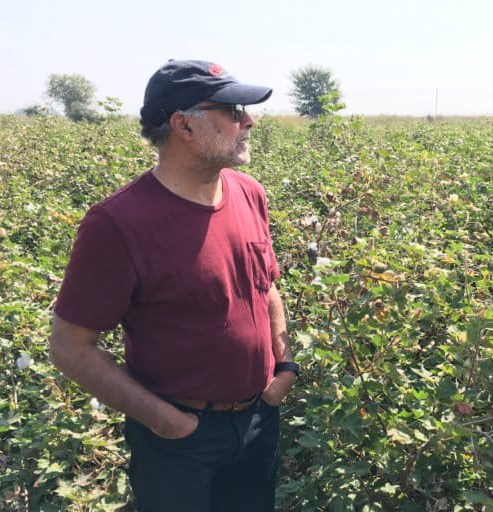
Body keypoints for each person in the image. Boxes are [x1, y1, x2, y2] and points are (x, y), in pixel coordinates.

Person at [49, 59, 298, 512]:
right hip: (179, 438)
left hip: (259, 420)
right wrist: (165, 422)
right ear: (183, 125)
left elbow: (265, 287)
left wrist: (284, 369)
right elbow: (70, 347)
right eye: (233, 109)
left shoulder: (248, 193)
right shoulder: (118, 223)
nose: (249, 120)